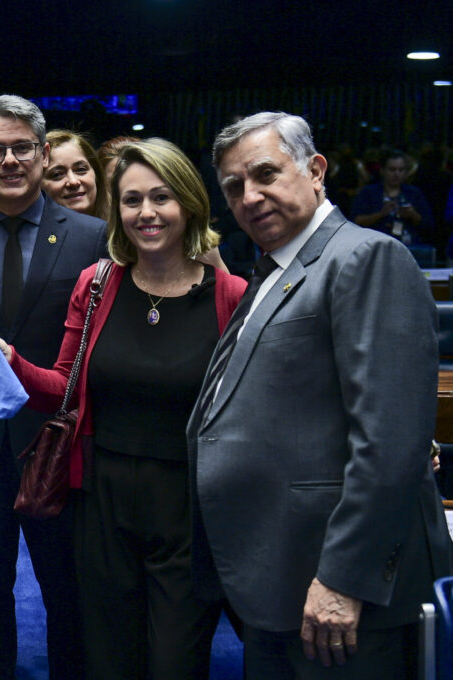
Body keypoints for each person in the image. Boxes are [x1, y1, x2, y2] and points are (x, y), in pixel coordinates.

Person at [189, 112, 453, 679]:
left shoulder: (366, 258)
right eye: (234, 187)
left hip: (338, 593)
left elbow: (389, 444)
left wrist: (343, 578)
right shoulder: (272, 271)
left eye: (265, 174)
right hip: (278, 581)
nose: (250, 196)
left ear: (315, 170)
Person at [0, 138, 246, 679]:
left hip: (187, 510)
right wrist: (11, 358)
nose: (146, 213)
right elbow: (64, 390)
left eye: (161, 198)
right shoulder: (96, 285)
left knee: (174, 662)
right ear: (115, 211)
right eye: (131, 200)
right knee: (107, 660)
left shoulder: (230, 295)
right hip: (100, 503)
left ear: (188, 203)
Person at [0, 94, 107, 680]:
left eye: (22, 148)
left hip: (56, 446)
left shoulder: (92, 236)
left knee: (67, 592)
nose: (10, 160)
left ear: (43, 154)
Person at [351, 149, 434, 245]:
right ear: (382, 170)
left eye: (401, 170)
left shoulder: (414, 193)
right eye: (392, 169)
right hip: (374, 246)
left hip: (407, 247)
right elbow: (355, 221)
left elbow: (429, 225)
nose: (396, 174)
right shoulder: (369, 192)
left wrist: (413, 215)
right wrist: (380, 214)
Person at [42, 130, 110, 221]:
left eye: (81, 170)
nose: (73, 182)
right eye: (57, 174)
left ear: (96, 174)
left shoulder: (125, 228)